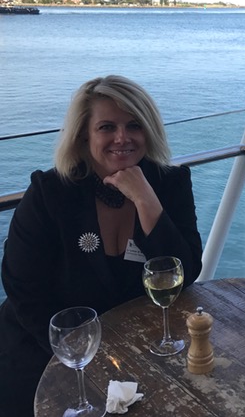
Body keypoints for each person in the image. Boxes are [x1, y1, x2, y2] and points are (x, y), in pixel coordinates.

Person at [0, 75, 203, 416]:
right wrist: (75, 355)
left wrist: (146, 200)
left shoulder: (169, 184)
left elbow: (186, 272)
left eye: (134, 125)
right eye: (107, 127)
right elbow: (23, 289)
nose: (122, 138)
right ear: (84, 135)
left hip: (132, 350)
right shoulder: (50, 193)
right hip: (45, 353)